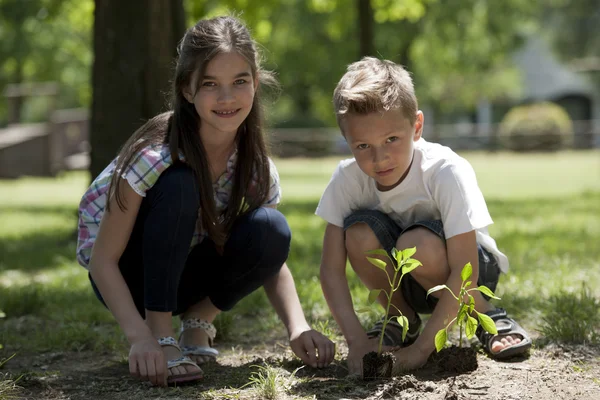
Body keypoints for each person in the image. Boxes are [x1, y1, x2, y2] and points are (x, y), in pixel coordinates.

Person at [76, 15, 334, 387]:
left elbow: (269, 257)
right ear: (187, 90)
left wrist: (298, 327)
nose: (227, 98)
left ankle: (197, 323)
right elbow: (102, 262)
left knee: (271, 227)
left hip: (187, 273)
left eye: (239, 82)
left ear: (255, 83)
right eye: (211, 84)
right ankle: (164, 333)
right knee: (182, 184)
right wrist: (143, 338)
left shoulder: (254, 164)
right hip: (129, 278)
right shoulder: (155, 154)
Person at [316, 57, 531, 376]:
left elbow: (464, 269)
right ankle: (400, 320)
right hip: (406, 285)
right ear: (347, 140)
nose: (379, 157)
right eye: (362, 145)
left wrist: (419, 353)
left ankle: (483, 314)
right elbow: (330, 271)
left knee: (414, 243)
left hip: (469, 274)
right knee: (358, 232)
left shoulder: (445, 171)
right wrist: (356, 341)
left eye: (391, 139)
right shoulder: (347, 179)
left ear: (416, 127)